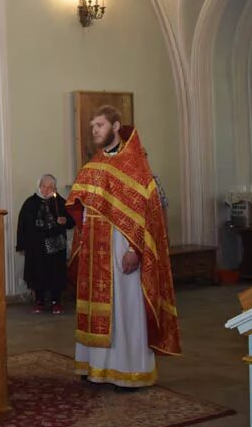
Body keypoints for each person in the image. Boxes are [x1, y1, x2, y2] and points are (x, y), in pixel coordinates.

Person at [66, 106, 181, 390]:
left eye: (100, 125)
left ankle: (128, 370)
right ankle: (96, 367)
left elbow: (146, 214)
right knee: (98, 308)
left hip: (122, 248)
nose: (95, 130)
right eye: (93, 126)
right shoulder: (93, 165)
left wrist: (134, 248)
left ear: (115, 127)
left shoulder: (136, 167)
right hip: (95, 249)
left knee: (125, 308)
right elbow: (78, 205)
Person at [16, 174, 74, 314]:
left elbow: (71, 221)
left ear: (55, 188)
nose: (47, 190)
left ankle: (56, 301)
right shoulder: (30, 203)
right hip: (36, 245)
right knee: (37, 273)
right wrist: (22, 245)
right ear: (39, 186)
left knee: (56, 273)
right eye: (44, 186)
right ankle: (39, 301)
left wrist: (65, 221)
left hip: (55, 245)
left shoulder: (60, 202)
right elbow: (22, 225)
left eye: (50, 187)